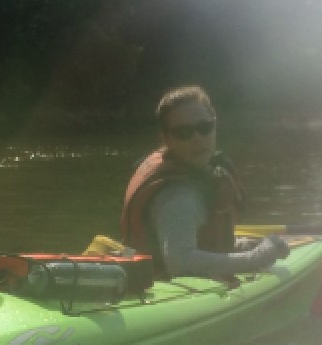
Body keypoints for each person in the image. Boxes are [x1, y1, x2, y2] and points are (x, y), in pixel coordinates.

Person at [121, 85, 287, 280]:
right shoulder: (178, 197)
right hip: (165, 288)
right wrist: (256, 257)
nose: (197, 139)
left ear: (215, 125)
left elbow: (199, 241)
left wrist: (242, 244)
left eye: (204, 128)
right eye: (183, 133)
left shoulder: (199, 176)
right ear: (165, 139)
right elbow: (180, 262)